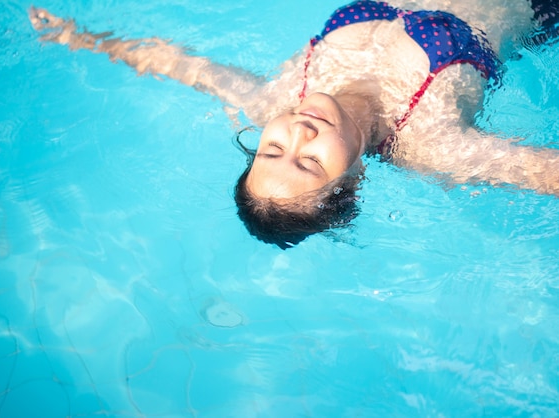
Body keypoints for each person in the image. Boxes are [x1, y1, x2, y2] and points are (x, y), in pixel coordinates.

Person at [29, 0, 559, 249]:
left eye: (271, 151)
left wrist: (81, 39)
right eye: (308, 161)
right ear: (353, 179)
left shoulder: (275, 101)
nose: (295, 134)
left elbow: (185, 68)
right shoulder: (432, 146)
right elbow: (546, 172)